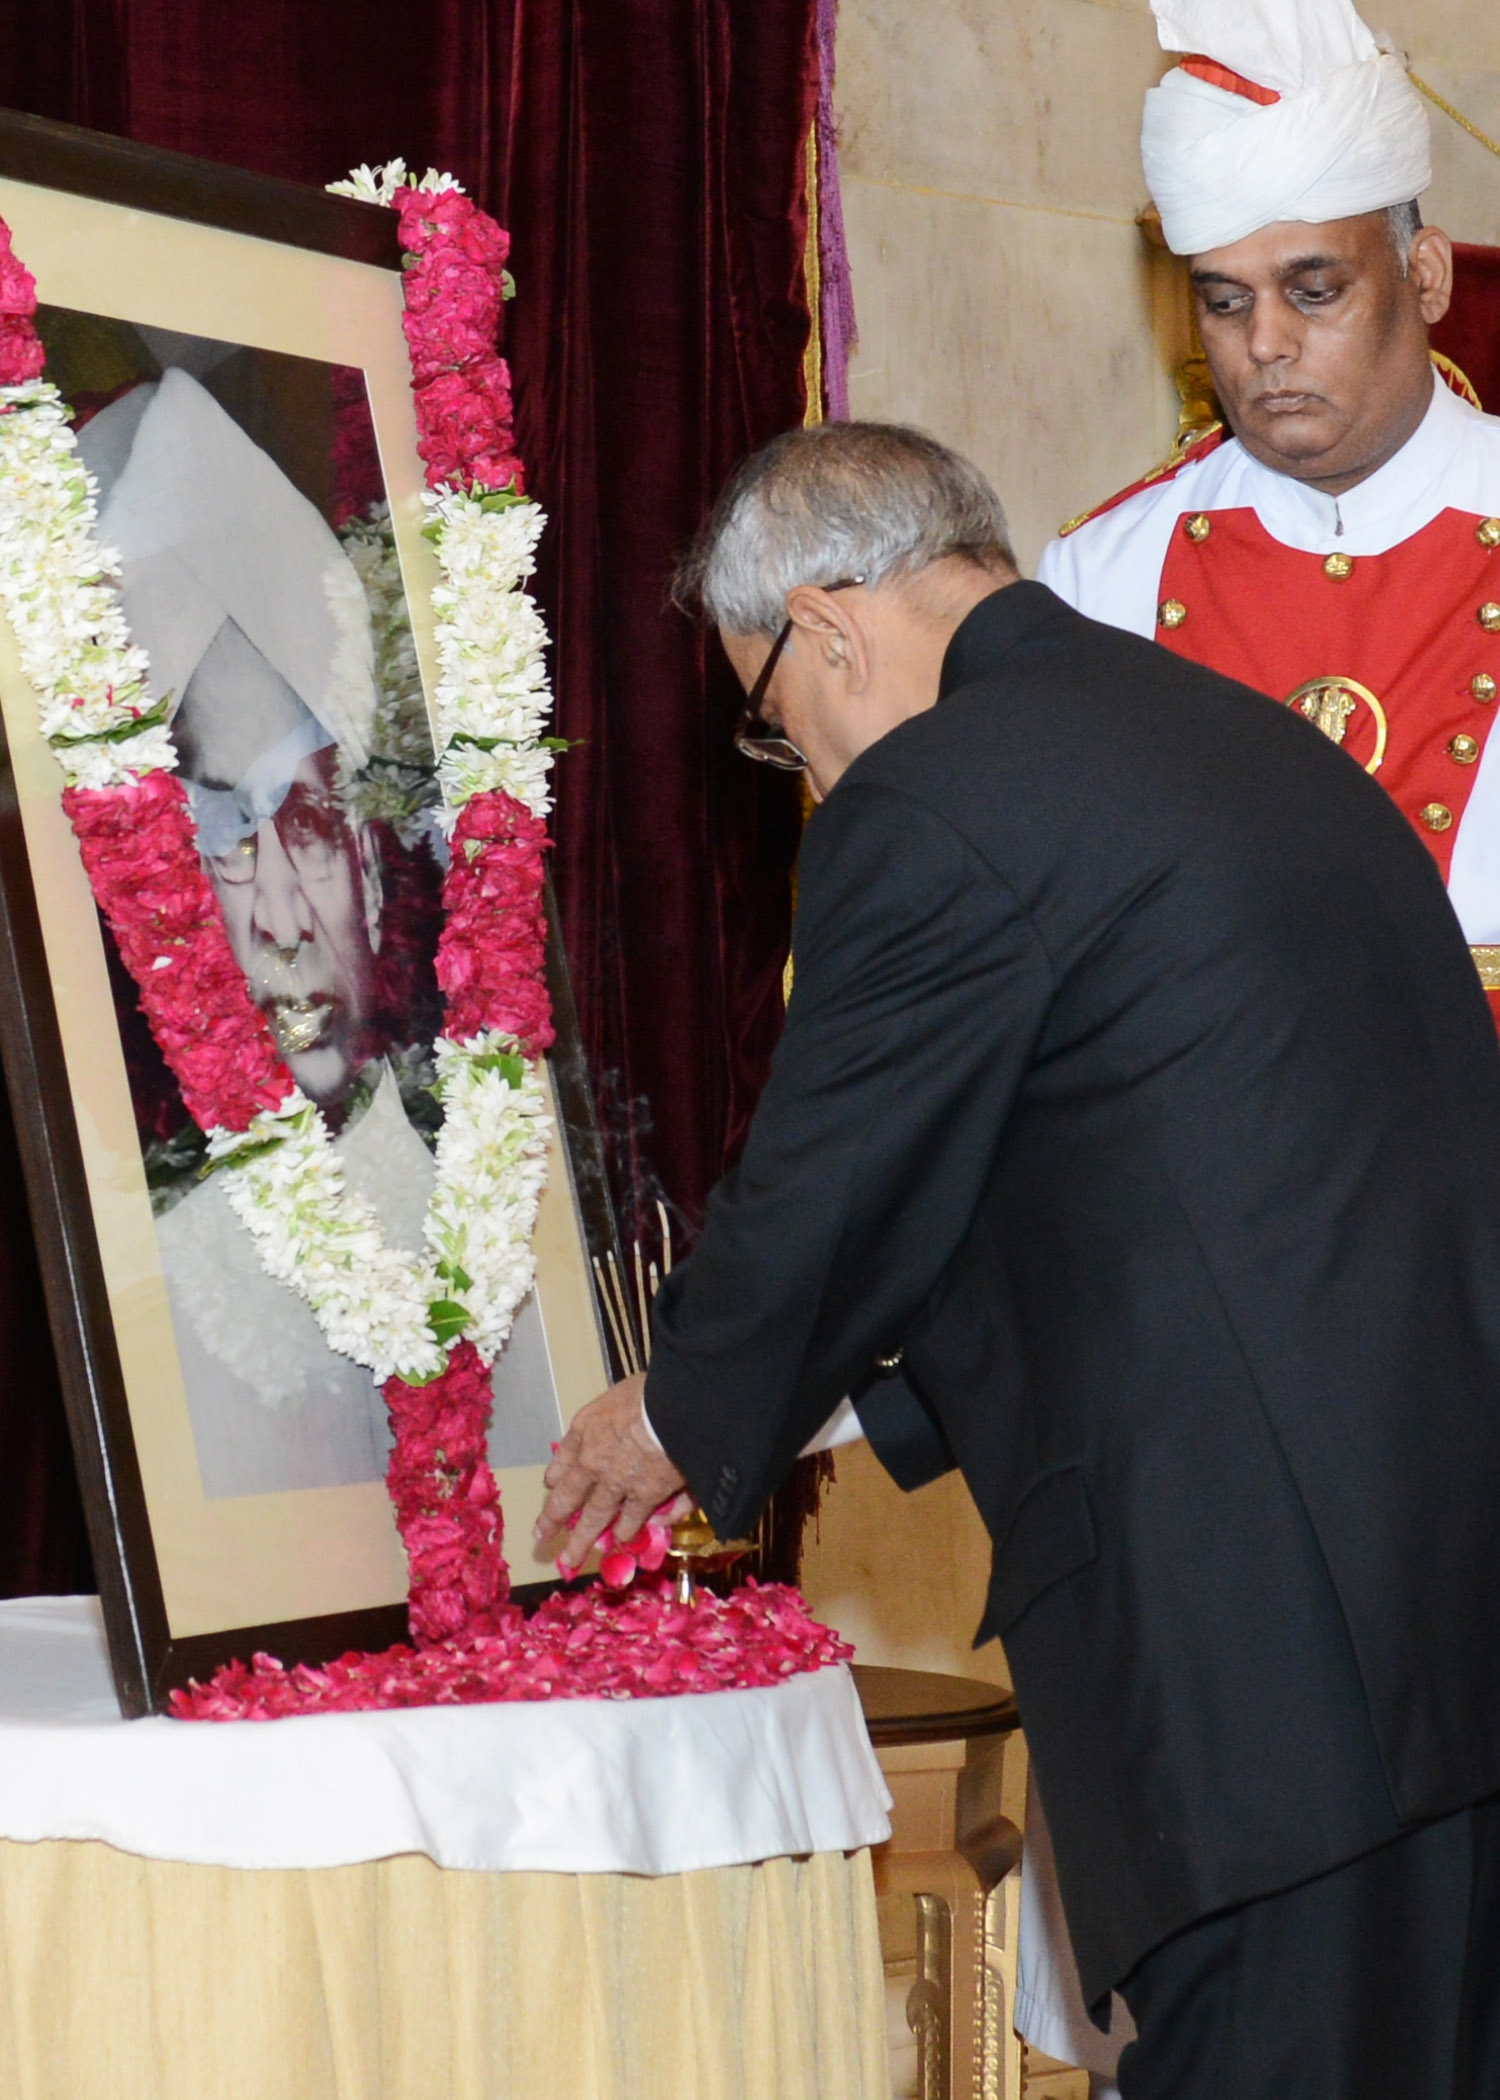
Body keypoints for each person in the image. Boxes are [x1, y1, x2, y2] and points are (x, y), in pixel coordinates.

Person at [538, 419, 1500, 2099]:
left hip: (1267, 1673)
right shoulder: (1238, 745)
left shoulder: (941, 793)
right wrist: (860, 1416)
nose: (812, 775)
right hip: (1439, 1636)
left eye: (777, 727)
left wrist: (676, 1416)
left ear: (826, 623)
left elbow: (834, 1182)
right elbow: (1162, 1203)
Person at [1023, 0, 1500, 2077]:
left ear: (1426, 265)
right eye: (1224, 302)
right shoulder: (1096, 587)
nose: (1269, 348)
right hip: (1226, 1415)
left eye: (1314, 288)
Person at [76, 364, 562, 1494]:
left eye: (307, 827)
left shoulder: (492, 1195)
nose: (286, 917)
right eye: (227, 844)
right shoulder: (153, 1258)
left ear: (380, 868)